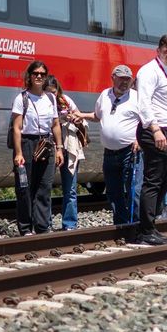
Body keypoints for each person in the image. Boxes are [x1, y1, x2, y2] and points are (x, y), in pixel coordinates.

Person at [133, 33, 167, 246]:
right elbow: (143, 103)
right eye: (166, 50)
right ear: (158, 50)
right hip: (153, 129)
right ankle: (146, 229)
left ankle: (150, 220)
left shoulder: (166, 72)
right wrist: (155, 130)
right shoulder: (148, 71)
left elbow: (164, 101)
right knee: (153, 179)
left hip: (165, 127)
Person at [9, 60, 62, 235]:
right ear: (29, 76)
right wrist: (18, 153)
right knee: (25, 187)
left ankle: (42, 226)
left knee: (44, 187)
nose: (39, 76)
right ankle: (25, 228)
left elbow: (55, 125)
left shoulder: (50, 98)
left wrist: (59, 148)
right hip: (27, 143)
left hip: (46, 144)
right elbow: (17, 128)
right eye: (35, 73)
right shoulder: (21, 98)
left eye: (42, 74)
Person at [94, 64, 141, 231]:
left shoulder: (137, 97)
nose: (125, 82)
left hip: (130, 151)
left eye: (128, 79)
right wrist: (79, 116)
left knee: (133, 191)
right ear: (113, 78)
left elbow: (148, 121)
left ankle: (135, 226)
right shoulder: (104, 95)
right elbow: (98, 116)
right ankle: (121, 225)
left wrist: (139, 139)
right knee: (113, 192)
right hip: (109, 153)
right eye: (121, 79)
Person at [47, 75, 90, 232]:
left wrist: (74, 118)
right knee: (45, 187)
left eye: (53, 92)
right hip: (50, 147)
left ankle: (69, 224)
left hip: (69, 146)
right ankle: (46, 224)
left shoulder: (66, 100)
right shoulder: (42, 103)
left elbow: (80, 119)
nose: (51, 96)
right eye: (48, 93)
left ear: (57, 90)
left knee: (70, 188)